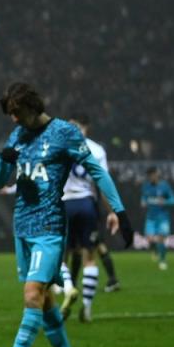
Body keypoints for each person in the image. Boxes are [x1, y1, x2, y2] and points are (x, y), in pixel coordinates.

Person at [0, 83, 133, 347]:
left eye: (16, 113)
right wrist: (4, 160)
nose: (12, 120)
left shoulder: (64, 133)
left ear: (31, 107)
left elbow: (97, 171)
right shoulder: (18, 135)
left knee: (32, 294)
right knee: (46, 301)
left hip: (50, 226)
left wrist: (119, 212)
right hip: (22, 227)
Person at [57, 113, 119, 322]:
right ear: (87, 127)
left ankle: (67, 289)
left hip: (64, 203)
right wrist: (111, 212)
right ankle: (87, 308)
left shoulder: (59, 145)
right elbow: (102, 182)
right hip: (86, 203)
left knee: (60, 257)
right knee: (89, 258)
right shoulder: (97, 149)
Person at [141, 166, 174, 270]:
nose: (150, 177)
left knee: (161, 238)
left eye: (152, 174)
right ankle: (156, 249)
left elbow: (173, 200)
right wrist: (143, 201)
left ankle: (163, 260)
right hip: (150, 217)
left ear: (157, 174)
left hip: (162, 218)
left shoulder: (164, 186)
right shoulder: (146, 186)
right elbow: (144, 197)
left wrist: (165, 201)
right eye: (149, 175)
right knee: (150, 239)